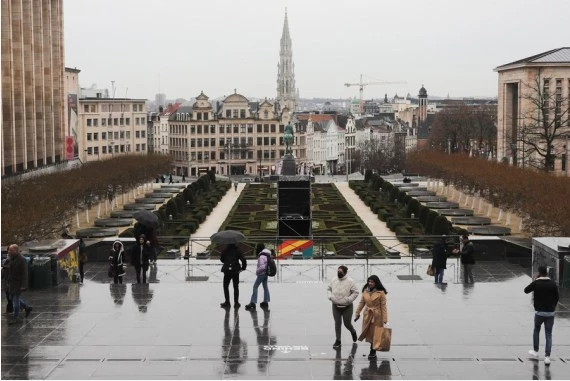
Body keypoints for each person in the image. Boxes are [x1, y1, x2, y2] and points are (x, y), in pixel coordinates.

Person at [524, 266, 559, 365]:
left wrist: (535, 280)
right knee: (548, 334)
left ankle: (535, 351)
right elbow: (557, 297)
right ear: (547, 273)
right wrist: (553, 307)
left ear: (539, 273)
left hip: (539, 312)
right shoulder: (553, 284)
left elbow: (526, 290)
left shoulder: (536, 283)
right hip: (550, 313)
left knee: (536, 329)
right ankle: (547, 357)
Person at [354, 275, 388, 360]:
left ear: (376, 283)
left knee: (376, 334)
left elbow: (383, 306)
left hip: (377, 316)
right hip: (368, 314)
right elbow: (361, 303)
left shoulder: (381, 293)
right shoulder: (365, 292)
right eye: (369, 281)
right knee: (369, 334)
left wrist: (385, 318)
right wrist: (357, 312)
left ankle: (373, 351)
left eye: (372, 282)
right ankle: (372, 348)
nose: (370, 283)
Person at [328, 265, 359, 348]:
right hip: (335, 306)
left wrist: (349, 299)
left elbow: (356, 292)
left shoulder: (350, 281)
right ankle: (338, 340)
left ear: (345, 272)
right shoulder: (334, 279)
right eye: (338, 271)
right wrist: (330, 297)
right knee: (337, 323)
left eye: (341, 272)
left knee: (347, 323)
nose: (339, 273)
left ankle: (353, 331)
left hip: (347, 307)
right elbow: (328, 288)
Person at [6, 244, 32, 323]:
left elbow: (25, 273)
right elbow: (10, 267)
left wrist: (23, 285)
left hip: (18, 283)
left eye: (11, 250)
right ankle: (27, 308)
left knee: (15, 300)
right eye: (9, 250)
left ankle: (15, 317)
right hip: (11, 282)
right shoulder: (11, 257)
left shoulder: (22, 259)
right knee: (12, 298)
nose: (9, 251)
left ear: (16, 251)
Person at [220, 243, 247, 308]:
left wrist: (227, 261)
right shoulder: (237, 250)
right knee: (235, 287)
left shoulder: (225, 250)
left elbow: (222, 259)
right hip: (235, 270)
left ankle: (227, 302)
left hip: (227, 270)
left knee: (225, 286)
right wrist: (243, 268)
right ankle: (236, 303)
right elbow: (243, 259)